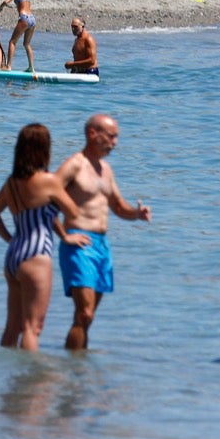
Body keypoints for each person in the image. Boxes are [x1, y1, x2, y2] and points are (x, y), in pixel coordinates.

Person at [0, 123, 89, 352]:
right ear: (45, 149)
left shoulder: (11, 183)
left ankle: (7, 379)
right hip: (37, 256)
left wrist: (11, 240)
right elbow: (73, 212)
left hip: (14, 254)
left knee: (12, 328)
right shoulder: (48, 181)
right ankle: (31, 383)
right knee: (33, 328)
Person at [54, 114, 151, 350]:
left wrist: (136, 214)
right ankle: (74, 372)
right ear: (92, 134)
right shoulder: (75, 164)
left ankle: (78, 373)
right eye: (111, 136)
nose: (115, 142)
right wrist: (65, 235)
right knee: (84, 313)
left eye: (116, 136)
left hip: (101, 245)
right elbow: (47, 197)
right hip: (79, 244)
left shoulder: (105, 169)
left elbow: (117, 206)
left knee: (88, 318)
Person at [0, 0, 35, 71]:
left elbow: (6, 1)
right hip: (32, 19)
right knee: (27, 44)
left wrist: (1, 7)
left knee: (12, 42)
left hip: (24, 18)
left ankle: (9, 66)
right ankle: (31, 67)